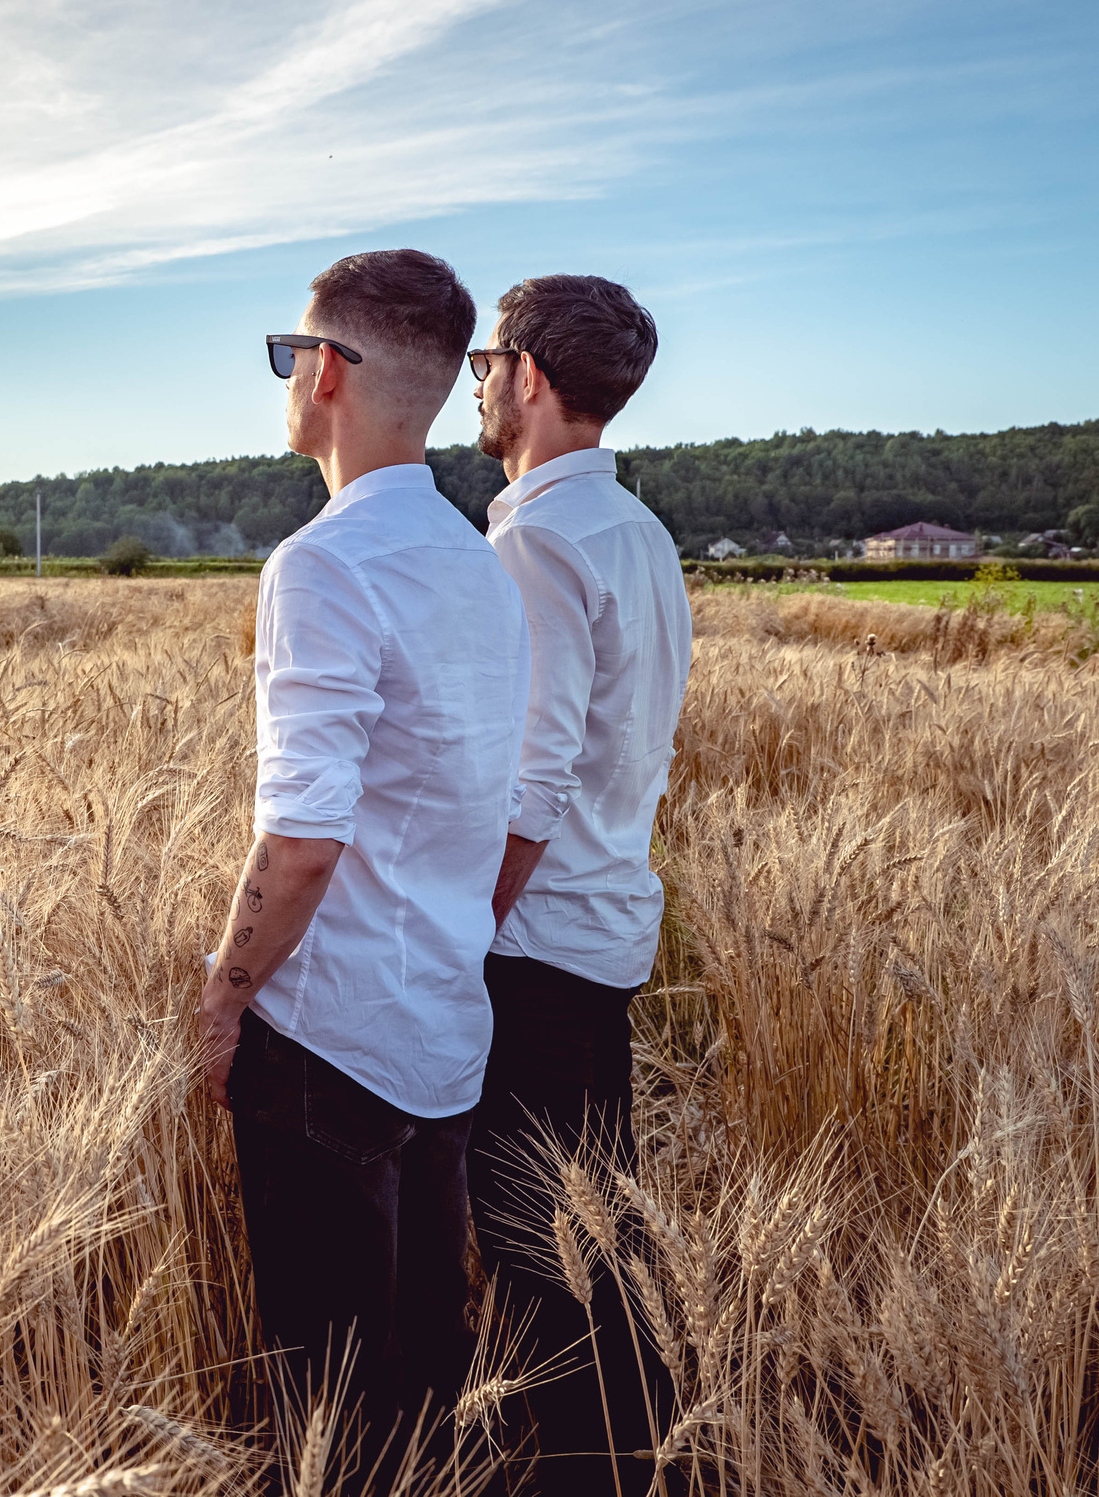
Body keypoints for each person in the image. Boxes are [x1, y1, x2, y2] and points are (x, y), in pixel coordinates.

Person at [196, 249, 531, 1465]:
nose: (288, 375)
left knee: (328, 1418)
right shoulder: (478, 564)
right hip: (442, 1034)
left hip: (327, 1042)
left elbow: (302, 839)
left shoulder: (323, 563)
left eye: (291, 352)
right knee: (421, 1392)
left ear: (328, 370)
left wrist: (224, 998)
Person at [466, 274, 692, 1496]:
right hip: (606, 929)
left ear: (531, 375)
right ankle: (640, 1458)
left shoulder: (536, 539)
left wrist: (461, 932)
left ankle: (583, 1472)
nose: (479, 387)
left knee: (542, 1253)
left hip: (535, 945)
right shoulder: (637, 530)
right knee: (602, 1233)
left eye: (485, 365)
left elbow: (529, 781)